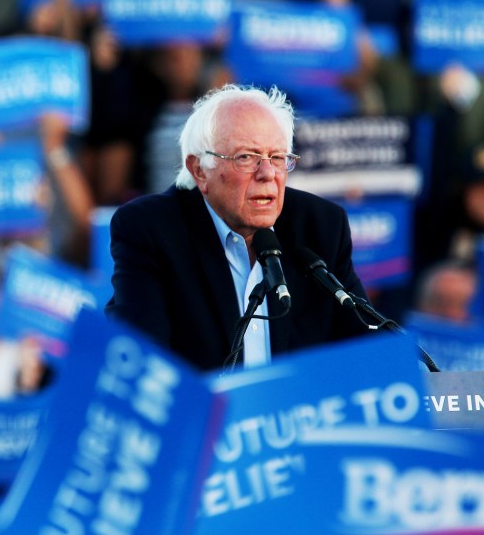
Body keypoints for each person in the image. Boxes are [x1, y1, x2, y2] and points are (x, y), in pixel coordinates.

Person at [106, 84, 369, 371]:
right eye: (246, 157)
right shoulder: (150, 230)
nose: (267, 174)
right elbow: (141, 362)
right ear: (199, 170)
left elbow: (368, 350)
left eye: (278, 158)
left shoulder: (321, 226)